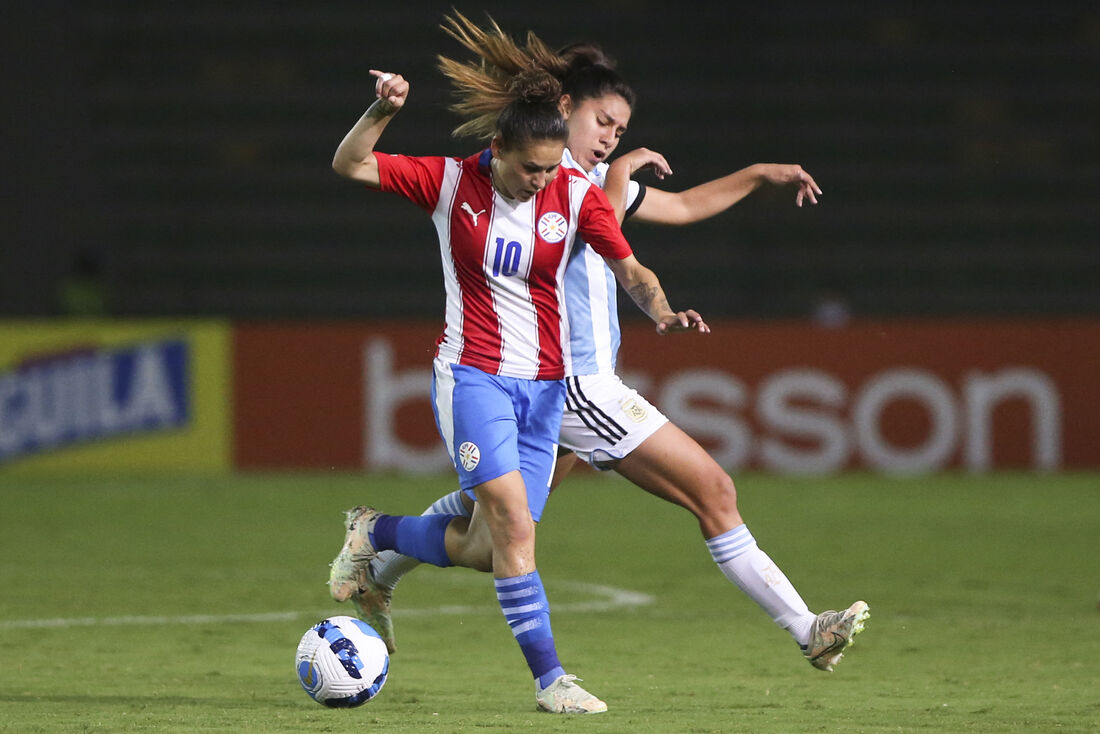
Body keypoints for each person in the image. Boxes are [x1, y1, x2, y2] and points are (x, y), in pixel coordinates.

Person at [355, 12, 870, 677]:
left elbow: (679, 207)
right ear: (563, 108)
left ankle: (375, 549)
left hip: (550, 389)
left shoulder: (584, 188)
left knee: (489, 530)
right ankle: (807, 628)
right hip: (574, 385)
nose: (610, 138)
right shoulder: (544, 184)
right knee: (712, 490)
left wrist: (758, 172)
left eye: (620, 131)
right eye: (603, 122)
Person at [328, 51, 708, 714]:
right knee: (509, 523)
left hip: (546, 391)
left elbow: (631, 269)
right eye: (529, 167)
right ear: (497, 147)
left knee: (486, 548)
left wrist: (663, 310)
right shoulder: (449, 184)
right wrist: (383, 112)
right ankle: (551, 681)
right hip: (473, 377)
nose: (540, 180)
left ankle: (377, 532)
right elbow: (351, 163)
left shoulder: (575, 194)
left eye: (549, 167)